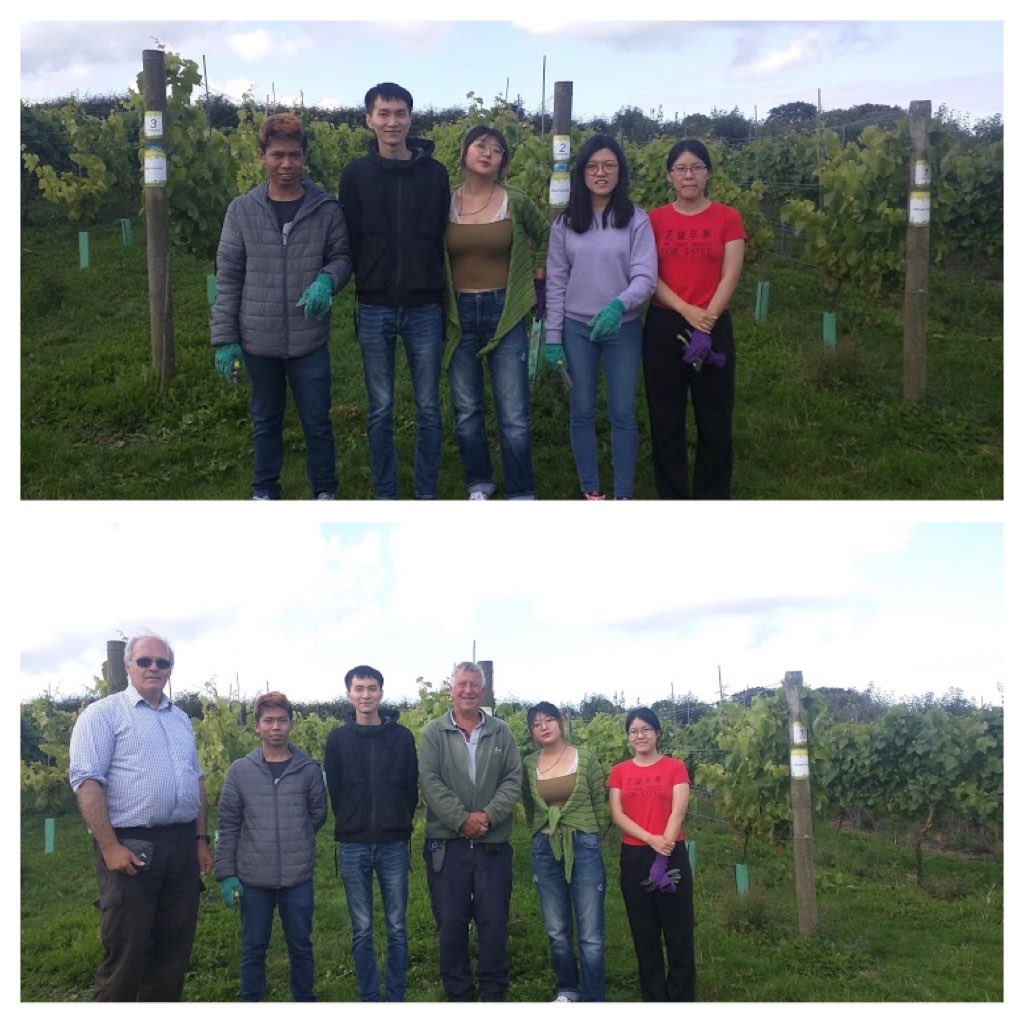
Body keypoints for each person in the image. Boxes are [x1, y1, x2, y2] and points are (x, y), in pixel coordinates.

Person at [211, 112, 352, 500]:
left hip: (309, 338)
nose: (286, 164)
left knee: (317, 421)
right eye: (277, 155)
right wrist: (225, 338)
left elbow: (342, 257)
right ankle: (265, 489)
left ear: (304, 156)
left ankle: (324, 491)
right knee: (265, 419)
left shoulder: (325, 208)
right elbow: (229, 276)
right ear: (262, 156)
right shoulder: (242, 210)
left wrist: (327, 280)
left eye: (294, 155)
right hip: (258, 339)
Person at [68, 633, 213, 1001]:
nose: (153, 668)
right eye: (145, 661)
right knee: (127, 952)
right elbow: (86, 781)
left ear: (170, 670)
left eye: (162, 662)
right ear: (128, 666)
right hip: (132, 845)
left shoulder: (180, 719)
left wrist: (200, 840)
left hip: (181, 844)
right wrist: (110, 847)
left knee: (173, 951)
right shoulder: (103, 715)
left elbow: (195, 781)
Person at [339, 82, 451, 499]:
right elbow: (349, 237)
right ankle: (385, 491)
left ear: (410, 118)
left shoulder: (435, 174)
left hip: (425, 306)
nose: (392, 121)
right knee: (381, 407)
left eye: (399, 113)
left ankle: (426, 491)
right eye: (383, 113)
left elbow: (441, 233)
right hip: (374, 305)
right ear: (369, 120)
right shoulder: (355, 176)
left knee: (428, 406)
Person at [544, 133, 657, 499]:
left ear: (620, 171)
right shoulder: (566, 223)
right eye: (593, 166)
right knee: (582, 410)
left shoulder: (636, 220)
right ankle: (591, 490)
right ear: (582, 173)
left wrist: (619, 305)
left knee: (622, 411)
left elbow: (645, 276)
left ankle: (623, 492)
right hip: (577, 329)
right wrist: (552, 336)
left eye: (609, 165)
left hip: (623, 328)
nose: (601, 172)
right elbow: (556, 283)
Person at [443, 125, 549, 500]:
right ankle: (479, 482)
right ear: (464, 153)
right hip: (459, 314)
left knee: (514, 412)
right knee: (467, 409)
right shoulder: (445, 202)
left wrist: (537, 278)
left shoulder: (514, 201)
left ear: (503, 161)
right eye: (480, 145)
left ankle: (521, 490)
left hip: (505, 310)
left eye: (497, 149)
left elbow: (546, 235)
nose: (488, 152)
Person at [643, 139, 747, 499]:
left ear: (708, 174)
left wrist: (707, 319)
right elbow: (648, 274)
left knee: (715, 417)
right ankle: (672, 496)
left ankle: (712, 497)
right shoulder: (653, 220)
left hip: (713, 325)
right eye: (681, 169)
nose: (689, 175)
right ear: (669, 176)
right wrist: (686, 310)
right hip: (664, 325)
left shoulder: (728, 218)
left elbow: (731, 274)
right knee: (665, 418)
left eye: (697, 167)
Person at [418, 661, 523, 1001]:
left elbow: (512, 779)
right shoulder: (434, 732)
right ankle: (459, 992)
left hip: (493, 843)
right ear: (451, 689)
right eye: (461, 684)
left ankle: (493, 990)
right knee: (451, 921)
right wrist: (462, 819)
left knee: (494, 920)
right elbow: (430, 782)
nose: (467, 690)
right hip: (447, 843)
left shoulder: (501, 732)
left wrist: (487, 817)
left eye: (474, 684)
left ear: (483, 690)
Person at [214, 691, 327, 1002]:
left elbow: (318, 814)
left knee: (301, 944)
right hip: (253, 877)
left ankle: (304, 1000)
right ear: (257, 726)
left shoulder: (308, 769)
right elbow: (228, 824)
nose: (275, 727)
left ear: (291, 724)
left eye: (282, 720)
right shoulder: (240, 771)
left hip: (297, 876)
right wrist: (226, 874)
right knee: (253, 946)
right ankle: (251, 1001)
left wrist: (296, 835)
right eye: (268, 721)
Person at [323, 665, 419, 1001]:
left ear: (381, 692)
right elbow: (335, 790)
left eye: (372, 688)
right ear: (349, 694)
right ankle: (369, 997)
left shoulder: (402, 738)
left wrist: (397, 819)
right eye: (359, 688)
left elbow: (411, 788)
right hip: (353, 845)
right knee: (362, 928)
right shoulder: (337, 740)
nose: (366, 695)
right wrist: (352, 819)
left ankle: (395, 995)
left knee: (397, 926)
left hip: (394, 843)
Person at [521, 702, 608, 1002]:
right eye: (536, 724)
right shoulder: (528, 764)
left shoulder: (585, 758)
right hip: (545, 849)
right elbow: (530, 806)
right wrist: (539, 833)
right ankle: (567, 990)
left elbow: (599, 803)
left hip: (583, 846)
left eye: (548, 720)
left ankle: (593, 997)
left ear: (560, 722)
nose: (543, 727)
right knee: (556, 928)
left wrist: (591, 835)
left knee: (590, 932)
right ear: (531, 732)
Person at [607, 707, 695, 1002]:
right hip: (635, 856)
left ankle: (681, 997)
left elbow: (678, 811)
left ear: (657, 733)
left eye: (646, 729)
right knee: (644, 933)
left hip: (671, 854)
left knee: (678, 930)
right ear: (628, 737)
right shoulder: (620, 772)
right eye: (633, 731)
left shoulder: (675, 767)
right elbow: (617, 815)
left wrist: (664, 847)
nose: (640, 735)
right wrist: (650, 840)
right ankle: (654, 997)